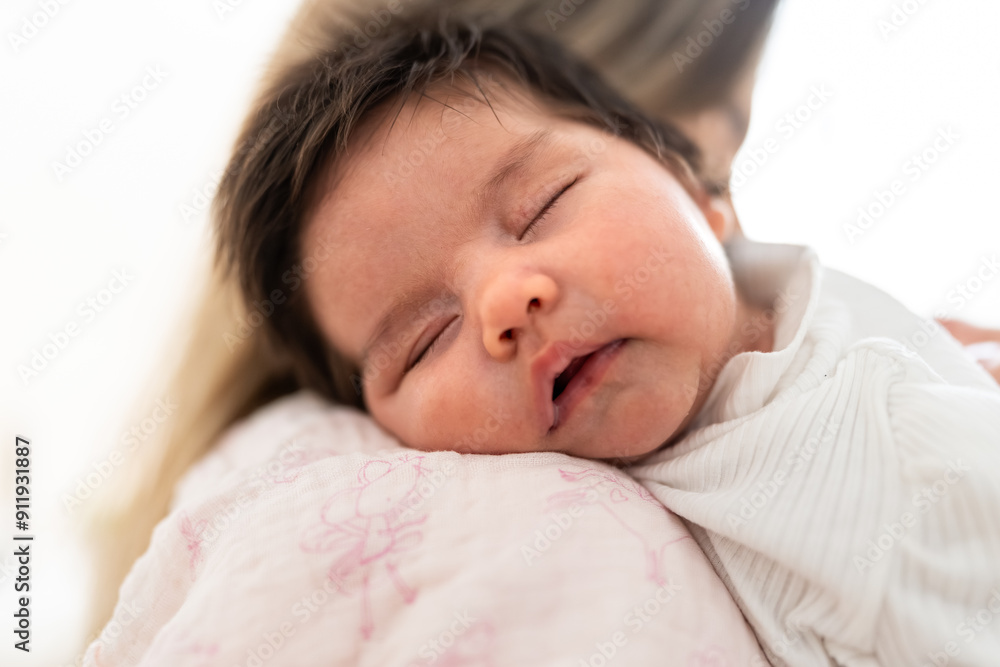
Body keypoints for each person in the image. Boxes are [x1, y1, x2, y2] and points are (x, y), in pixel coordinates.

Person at [196, 9, 1000, 664]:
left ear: (697, 185)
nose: (506, 303)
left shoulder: (890, 452)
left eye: (541, 207)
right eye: (425, 339)